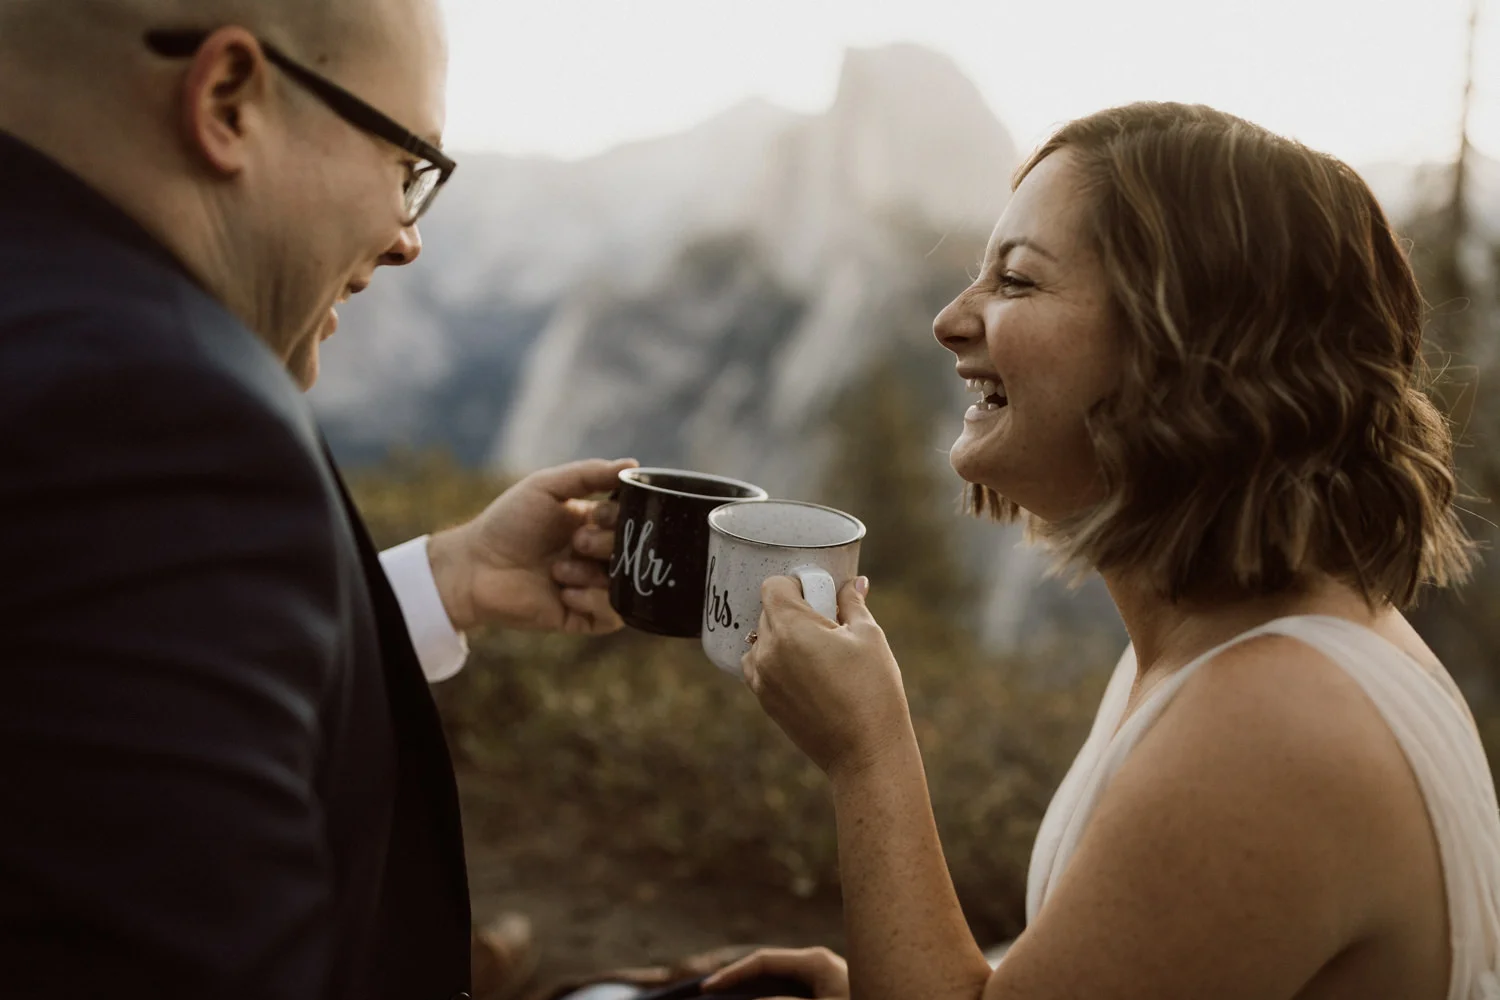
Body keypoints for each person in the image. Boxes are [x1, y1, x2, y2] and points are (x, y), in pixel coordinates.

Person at [709, 103, 1500, 1000]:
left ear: (1184, 343)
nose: (950, 321)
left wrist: (867, 750)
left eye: (1015, 282)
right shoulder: (1235, 646)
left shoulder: (1271, 724)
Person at [0, 2, 633, 998]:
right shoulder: (152, 414)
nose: (406, 240)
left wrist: (446, 581)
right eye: (406, 164)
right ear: (228, 100)